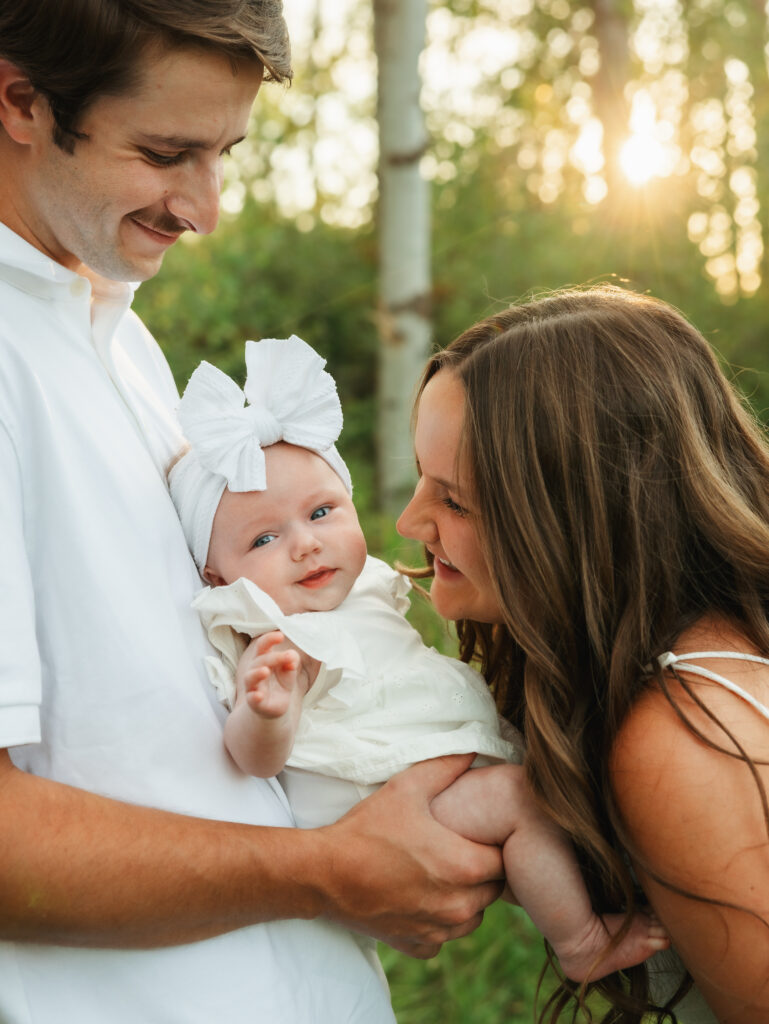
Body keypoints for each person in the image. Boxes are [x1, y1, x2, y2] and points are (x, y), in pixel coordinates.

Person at [0, 4, 504, 1021]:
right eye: (167, 152)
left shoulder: (119, 342)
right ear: (18, 100)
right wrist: (323, 867)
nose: (207, 206)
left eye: (223, 151)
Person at [168, 333, 668, 984]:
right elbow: (254, 759)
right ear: (216, 574)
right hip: (364, 800)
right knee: (520, 803)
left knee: (532, 816)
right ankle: (579, 942)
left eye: (322, 512)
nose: (305, 545)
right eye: (264, 537)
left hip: (410, 768)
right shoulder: (271, 637)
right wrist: (267, 712)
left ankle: (595, 891)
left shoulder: (356, 590)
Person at [396, 284, 769, 1023]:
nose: (411, 521)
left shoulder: (680, 741)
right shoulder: (714, 646)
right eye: (420, 480)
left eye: (455, 500)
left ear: (573, 517)